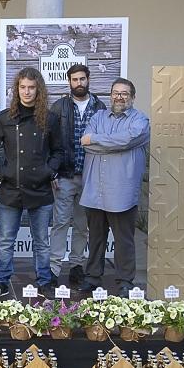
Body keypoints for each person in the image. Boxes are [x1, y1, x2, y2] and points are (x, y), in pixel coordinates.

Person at [0, 67, 63, 298]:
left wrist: (49, 171)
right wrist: (3, 171)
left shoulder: (50, 119)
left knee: (41, 241)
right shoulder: (5, 117)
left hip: (40, 190)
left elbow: (59, 152)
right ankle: (0, 281)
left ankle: (45, 280)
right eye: (22, 87)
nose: (26, 92)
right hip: (10, 189)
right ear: (16, 90)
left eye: (31, 87)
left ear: (38, 90)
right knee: (6, 240)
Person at [76, 78, 150, 298]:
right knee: (96, 238)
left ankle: (125, 281)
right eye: (115, 93)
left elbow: (129, 140)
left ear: (132, 97)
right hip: (95, 190)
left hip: (122, 192)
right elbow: (84, 142)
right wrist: (113, 145)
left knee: (124, 241)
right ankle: (91, 278)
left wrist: (97, 141)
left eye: (124, 93)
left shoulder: (140, 120)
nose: (119, 97)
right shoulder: (98, 116)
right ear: (110, 96)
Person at [49, 64, 106, 286]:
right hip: (64, 175)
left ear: (88, 80)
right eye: (74, 80)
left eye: (82, 79)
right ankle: (54, 268)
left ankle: (76, 266)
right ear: (69, 82)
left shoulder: (100, 107)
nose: (79, 83)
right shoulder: (59, 107)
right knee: (60, 223)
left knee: (83, 225)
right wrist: (52, 172)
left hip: (90, 177)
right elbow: (50, 141)